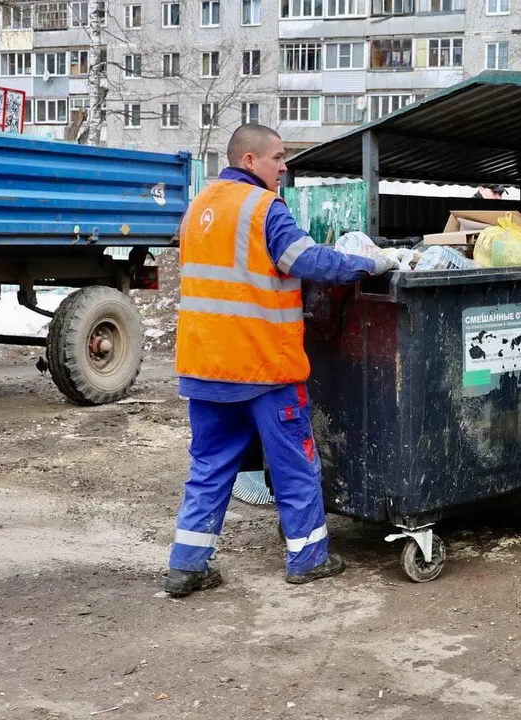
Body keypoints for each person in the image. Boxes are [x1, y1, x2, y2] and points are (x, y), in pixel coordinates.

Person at [164, 124, 396, 597]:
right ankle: (308, 558)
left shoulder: (198, 208)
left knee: (208, 467)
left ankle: (187, 566)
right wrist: (376, 262)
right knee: (294, 464)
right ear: (250, 161)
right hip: (263, 365)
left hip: (206, 365)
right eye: (278, 157)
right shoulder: (264, 209)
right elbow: (312, 263)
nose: (284, 166)